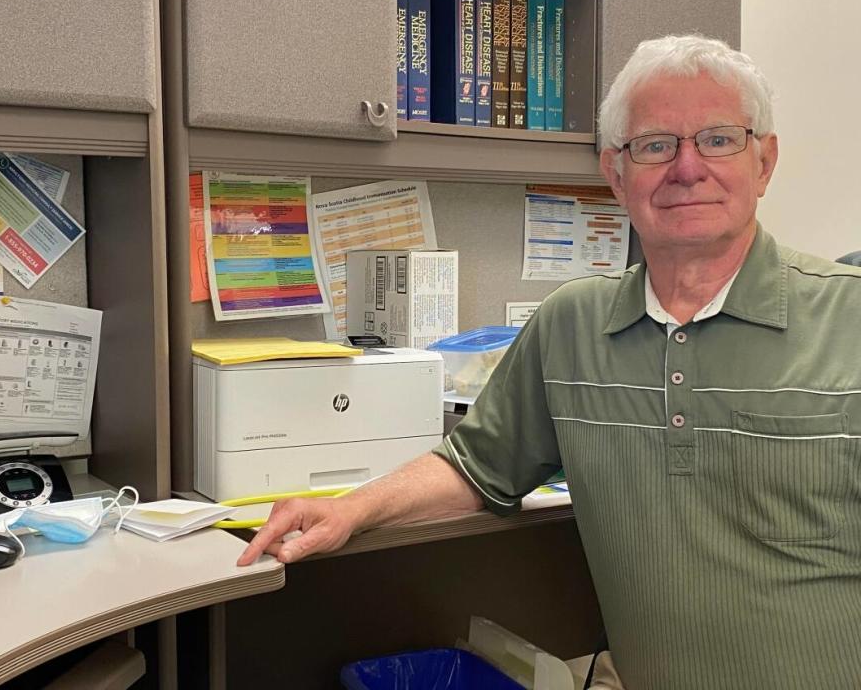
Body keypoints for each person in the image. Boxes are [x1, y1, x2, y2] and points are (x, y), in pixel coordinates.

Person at [239, 35, 861, 688]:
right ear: (616, 175)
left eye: (718, 139)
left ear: (764, 161)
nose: (686, 167)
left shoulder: (846, 319)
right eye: (655, 145)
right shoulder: (572, 325)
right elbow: (477, 465)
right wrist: (349, 509)